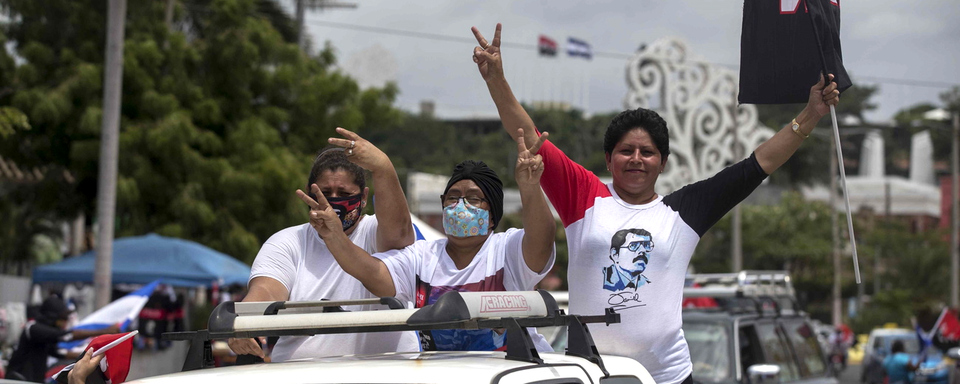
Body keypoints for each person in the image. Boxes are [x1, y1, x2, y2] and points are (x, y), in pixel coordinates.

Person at [470, 23, 840, 384]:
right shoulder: (584, 195)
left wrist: (810, 115)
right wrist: (496, 79)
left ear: (663, 163)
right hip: (592, 374)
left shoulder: (684, 212)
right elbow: (528, 134)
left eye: (647, 152)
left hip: (667, 376)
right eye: (625, 151)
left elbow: (758, 165)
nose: (636, 159)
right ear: (608, 157)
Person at [299, 131, 556, 351]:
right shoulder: (422, 256)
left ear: (492, 216)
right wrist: (333, 235)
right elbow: (372, 272)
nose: (460, 206)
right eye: (453, 198)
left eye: (474, 199)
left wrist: (530, 186)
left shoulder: (507, 250)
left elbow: (542, 240)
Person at [227, 127, 419, 361]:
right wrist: (246, 320)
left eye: (344, 192)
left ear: (364, 197)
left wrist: (383, 167)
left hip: (381, 373)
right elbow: (266, 290)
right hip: (300, 374)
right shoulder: (287, 241)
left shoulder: (374, 232)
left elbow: (399, 234)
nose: (334, 200)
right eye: (325, 192)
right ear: (309, 193)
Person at [6, 297, 118, 383]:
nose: (64, 323)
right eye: (62, 319)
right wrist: (105, 331)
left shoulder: (43, 337)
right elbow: (65, 336)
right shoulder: (33, 328)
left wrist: (92, 355)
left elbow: (59, 352)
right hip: (19, 380)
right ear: (51, 316)